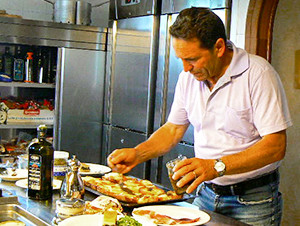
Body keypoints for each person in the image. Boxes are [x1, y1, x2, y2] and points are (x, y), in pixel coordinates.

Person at [107, 7, 292, 226]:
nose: (185, 68)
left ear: (219, 47)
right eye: (181, 59)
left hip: (252, 199)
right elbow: (173, 129)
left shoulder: (258, 74)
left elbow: (275, 146)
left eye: (192, 59)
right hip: (205, 195)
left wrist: (216, 166)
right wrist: (138, 153)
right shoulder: (189, 78)